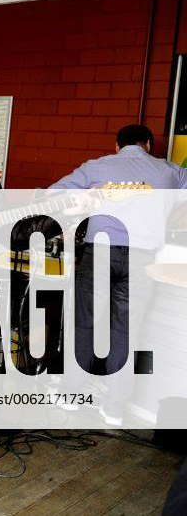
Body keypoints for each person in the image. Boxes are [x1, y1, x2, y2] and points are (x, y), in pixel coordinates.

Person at [50, 124, 187, 424]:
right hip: (142, 258)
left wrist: (88, 202)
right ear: (148, 144)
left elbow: (54, 194)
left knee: (86, 323)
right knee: (127, 329)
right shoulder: (170, 172)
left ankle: (71, 394)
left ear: (117, 146)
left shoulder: (99, 166)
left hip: (100, 251)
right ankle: (114, 408)